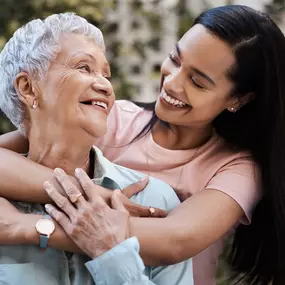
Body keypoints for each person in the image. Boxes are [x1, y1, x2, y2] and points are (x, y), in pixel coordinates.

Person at [0, 4, 285, 285]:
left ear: (238, 99)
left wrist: (31, 228)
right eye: (175, 59)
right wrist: (100, 195)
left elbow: (174, 240)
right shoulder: (112, 118)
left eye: (197, 82)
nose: (172, 83)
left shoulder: (236, 169)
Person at [0, 13, 194, 285]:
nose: (105, 85)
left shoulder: (153, 200)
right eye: (83, 68)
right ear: (28, 88)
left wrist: (109, 252)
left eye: (106, 74)